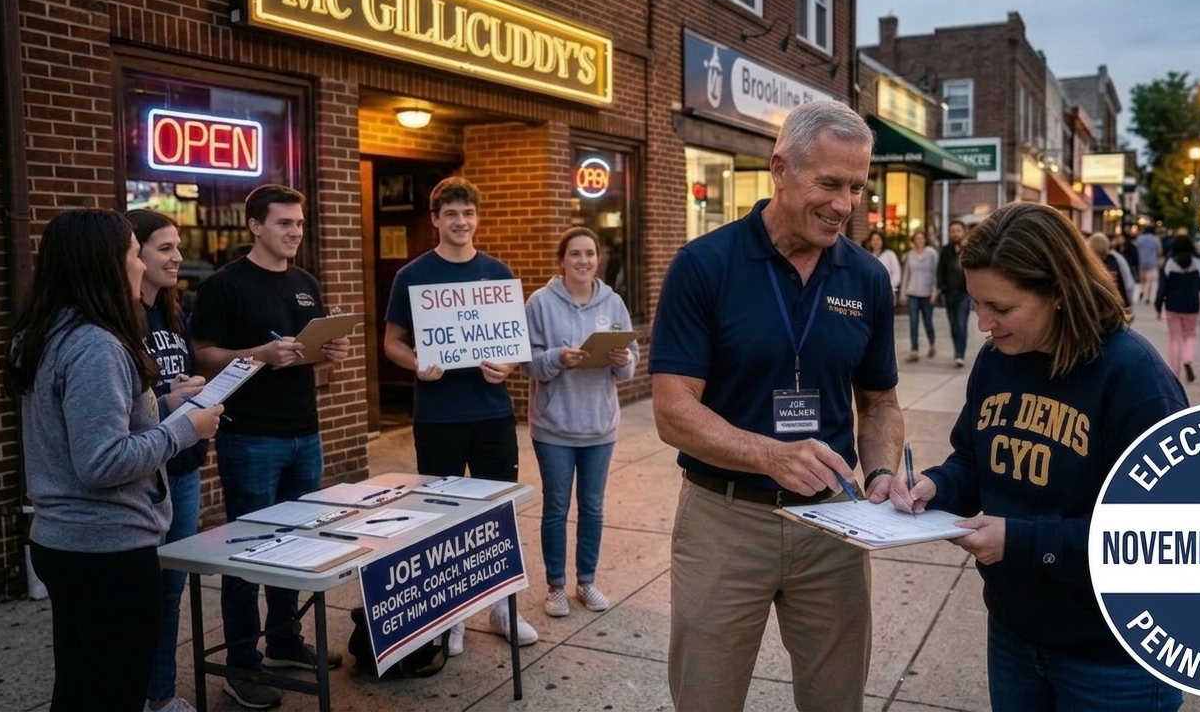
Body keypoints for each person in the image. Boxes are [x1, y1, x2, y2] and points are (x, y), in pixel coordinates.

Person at [651, 100, 905, 712]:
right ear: (780, 170)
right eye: (829, 183)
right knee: (705, 696)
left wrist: (881, 474)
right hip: (725, 520)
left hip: (833, 523)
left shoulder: (866, 276)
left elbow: (880, 403)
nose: (844, 204)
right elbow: (671, 408)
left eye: (856, 187)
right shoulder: (705, 265)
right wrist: (769, 454)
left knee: (836, 698)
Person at [890, 202, 1187, 712]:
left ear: (1057, 293)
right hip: (1014, 630)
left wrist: (1024, 541)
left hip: (1112, 656)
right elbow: (973, 459)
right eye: (976, 303)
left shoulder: (1134, 378)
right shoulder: (996, 360)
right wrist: (937, 485)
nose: (983, 323)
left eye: (1001, 309)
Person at [8, 209, 220, 712]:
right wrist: (182, 430)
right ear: (104, 263)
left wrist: (161, 406)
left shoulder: (47, 333)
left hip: (66, 544)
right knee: (112, 691)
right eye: (133, 254)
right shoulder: (95, 346)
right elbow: (101, 461)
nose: (143, 267)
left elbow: (84, 427)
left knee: (80, 687)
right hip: (106, 551)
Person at [192, 184, 352, 710]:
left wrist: (330, 351)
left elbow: (315, 357)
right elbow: (203, 354)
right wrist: (258, 354)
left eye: (300, 224)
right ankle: (242, 663)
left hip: (305, 432)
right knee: (249, 550)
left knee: (295, 546)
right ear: (255, 226)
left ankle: (283, 639)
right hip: (250, 436)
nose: (295, 232)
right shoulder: (224, 286)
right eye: (284, 223)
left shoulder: (305, 283)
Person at [382, 175, 537, 650]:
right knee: (444, 517)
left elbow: (515, 345)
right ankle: (451, 613)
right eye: (451, 213)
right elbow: (391, 343)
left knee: (499, 511)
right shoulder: (412, 276)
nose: (461, 222)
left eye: (468, 213)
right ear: (435, 220)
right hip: (438, 414)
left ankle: (501, 608)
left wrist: (507, 365)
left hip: (491, 412)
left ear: (477, 218)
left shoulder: (497, 272)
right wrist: (418, 367)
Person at [524, 227, 639, 618]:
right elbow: (528, 363)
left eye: (590, 253)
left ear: (597, 259)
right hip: (553, 426)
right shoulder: (539, 303)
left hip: (599, 425)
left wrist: (624, 361)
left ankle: (586, 581)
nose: (583, 261)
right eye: (575, 254)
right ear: (562, 260)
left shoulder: (613, 302)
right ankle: (556, 585)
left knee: (593, 508)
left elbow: (631, 360)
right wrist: (557, 358)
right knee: (556, 508)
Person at [130, 210, 212, 712]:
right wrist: (168, 401)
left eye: (178, 246)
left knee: (170, 590)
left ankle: (160, 694)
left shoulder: (174, 312)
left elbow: (167, 384)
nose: (177, 257)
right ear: (133, 255)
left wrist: (186, 391)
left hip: (182, 466)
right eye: (164, 248)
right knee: (141, 596)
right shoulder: (120, 320)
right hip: (142, 473)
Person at [1156, 234, 1200, 383]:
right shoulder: (1197, 263)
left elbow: (1162, 287)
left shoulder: (1170, 263)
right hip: (1191, 305)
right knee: (1190, 336)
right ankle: (1188, 359)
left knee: (1174, 339)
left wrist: (1158, 306)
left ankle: (1175, 373)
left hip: (1172, 305)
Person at [935, 220, 971, 367]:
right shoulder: (946, 250)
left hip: (964, 293)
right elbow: (940, 270)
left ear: (963, 232)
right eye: (953, 231)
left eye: (958, 230)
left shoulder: (969, 249)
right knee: (953, 325)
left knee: (961, 324)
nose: (955, 233)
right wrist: (939, 287)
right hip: (949, 293)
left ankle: (960, 354)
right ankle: (957, 350)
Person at [899, 229, 938, 362]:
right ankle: (914, 350)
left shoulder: (931, 253)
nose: (919, 241)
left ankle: (932, 343)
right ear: (914, 241)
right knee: (913, 322)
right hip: (912, 293)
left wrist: (934, 292)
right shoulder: (910, 255)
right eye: (917, 239)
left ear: (925, 240)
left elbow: (935, 274)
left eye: (921, 238)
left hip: (927, 294)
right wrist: (903, 293)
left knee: (927, 321)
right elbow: (906, 274)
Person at [1087, 232, 1135, 312]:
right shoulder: (1117, 259)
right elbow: (1128, 282)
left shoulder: (1087, 262)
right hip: (1116, 305)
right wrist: (1128, 304)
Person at [865, 230, 900, 302]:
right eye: (873, 240)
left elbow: (897, 275)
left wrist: (888, 288)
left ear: (882, 241)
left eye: (878, 239)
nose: (876, 242)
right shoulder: (867, 256)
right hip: (870, 294)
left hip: (887, 293)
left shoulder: (890, 255)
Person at [1134, 225, 1163, 304]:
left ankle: (1142, 290)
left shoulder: (1140, 239)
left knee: (1143, 280)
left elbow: (1135, 248)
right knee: (1150, 281)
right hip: (1152, 262)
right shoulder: (1155, 239)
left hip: (1141, 261)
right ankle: (1148, 297)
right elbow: (1159, 251)